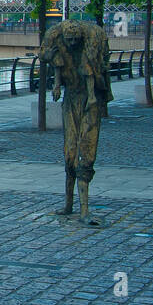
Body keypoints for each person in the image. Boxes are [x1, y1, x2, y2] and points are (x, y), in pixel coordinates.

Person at [42, 20, 110, 223]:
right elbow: (51, 61)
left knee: (86, 152)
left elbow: (92, 70)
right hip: (71, 99)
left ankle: (84, 210)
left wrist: (92, 97)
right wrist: (56, 84)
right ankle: (69, 204)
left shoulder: (92, 43)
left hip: (90, 102)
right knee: (69, 153)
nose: (71, 43)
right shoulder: (57, 43)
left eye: (75, 40)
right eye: (68, 40)